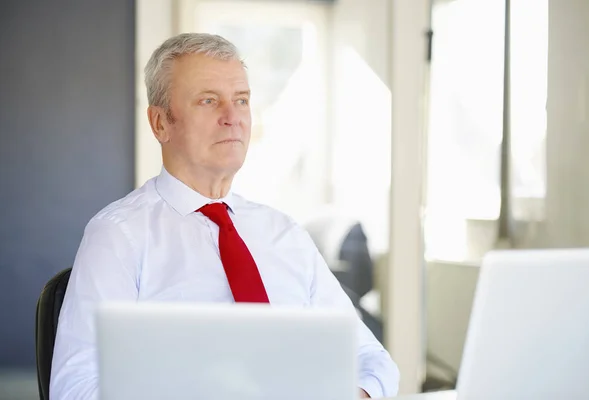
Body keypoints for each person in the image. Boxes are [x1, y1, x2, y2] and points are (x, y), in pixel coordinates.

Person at [50, 33, 400, 399]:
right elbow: (75, 388)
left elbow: (370, 358)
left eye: (242, 100)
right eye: (208, 100)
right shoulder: (118, 236)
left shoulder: (284, 234)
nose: (232, 117)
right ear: (160, 123)